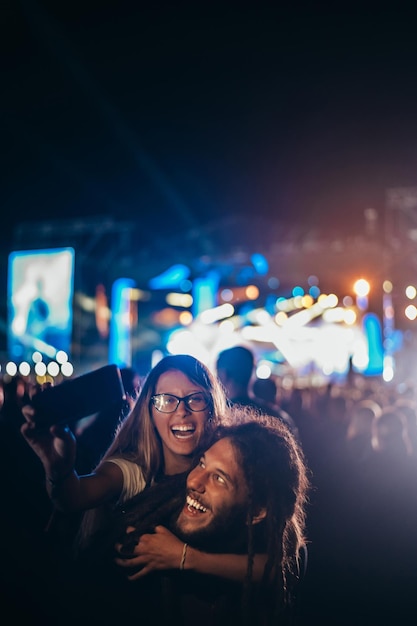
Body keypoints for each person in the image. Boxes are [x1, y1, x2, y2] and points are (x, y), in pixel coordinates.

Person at [71, 408, 311, 626]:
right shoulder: (143, 544)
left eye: (219, 478)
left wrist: (184, 557)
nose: (195, 480)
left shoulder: (274, 560)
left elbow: (283, 563)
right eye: (201, 464)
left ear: (257, 512)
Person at [20, 354, 227, 554]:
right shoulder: (135, 472)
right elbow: (73, 496)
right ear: (150, 413)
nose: (182, 411)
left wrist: (185, 558)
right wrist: (59, 469)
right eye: (167, 400)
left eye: (195, 399)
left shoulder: (231, 466)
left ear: (212, 406)